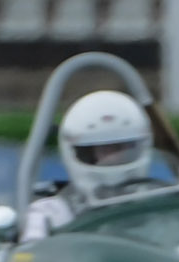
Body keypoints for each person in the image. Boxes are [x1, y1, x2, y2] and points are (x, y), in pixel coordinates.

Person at [22, 90, 156, 239]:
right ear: (79, 152)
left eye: (122, 148)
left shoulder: (160, 206)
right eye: (105, 150)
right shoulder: (51, 214)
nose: (112, 159)